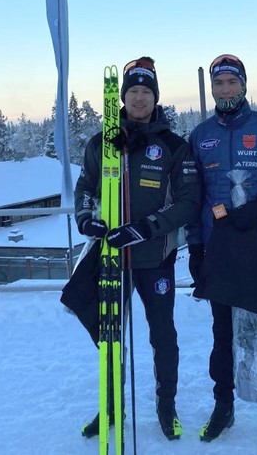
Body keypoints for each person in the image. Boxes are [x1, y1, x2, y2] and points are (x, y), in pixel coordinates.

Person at [73, 56, 201, 441]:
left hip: (154, 258)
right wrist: (85, 218)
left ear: (155, 96)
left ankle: (166, 406)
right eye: (133, 91)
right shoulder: (101, 144)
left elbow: (189, 202)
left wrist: (146, 228)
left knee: (162, 334)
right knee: (110, 335)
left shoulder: (173, 146)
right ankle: (111, 406)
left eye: (146, 91)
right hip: (111, 257)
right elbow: (84, 188)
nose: (139, 98)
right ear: (123, 97)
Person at [186, 54, 257, 442]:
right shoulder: (200, 136)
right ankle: (223, 406)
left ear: (244, 85)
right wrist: (196, 247)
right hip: (217, 245)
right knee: (221, 333)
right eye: (219, 84)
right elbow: (193, 196)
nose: (226, 90)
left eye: (232, 82)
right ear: (213, 89)